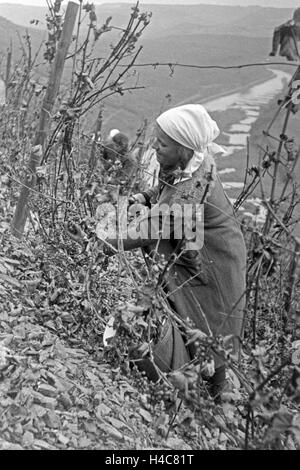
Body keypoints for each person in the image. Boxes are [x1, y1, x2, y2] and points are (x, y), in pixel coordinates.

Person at [70, 104, 247, 402]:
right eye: (156, 139)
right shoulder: (185, 165)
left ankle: (216, 389)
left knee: (215, 320)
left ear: (184, 148)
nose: (155, 146)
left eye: (162, 144)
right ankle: (195, 369)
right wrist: (142, 197)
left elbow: (153, 229)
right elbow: (161, 192)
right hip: (195, 251)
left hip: (218, 261)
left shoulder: (194, 187)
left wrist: (104, 243)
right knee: (190, 311)